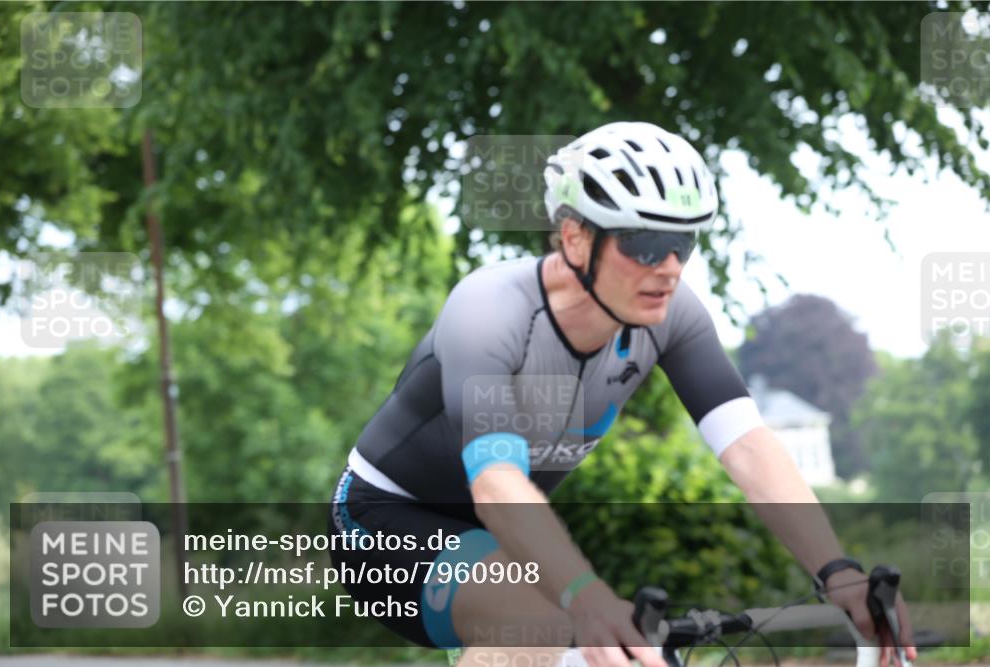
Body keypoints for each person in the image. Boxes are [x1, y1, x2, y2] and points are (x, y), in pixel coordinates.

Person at [328, 122, 916, 667]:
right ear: (576, 239)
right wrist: (584, 595)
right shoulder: (489, 311)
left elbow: (747, 446)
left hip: (499, 532)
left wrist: (837, 570)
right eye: (643, 245)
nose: (668, 268)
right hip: (385, 516)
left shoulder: (670, 315)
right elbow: (496, 482)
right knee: (543, 627)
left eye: (682, 245)